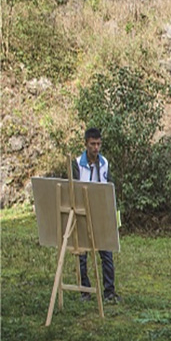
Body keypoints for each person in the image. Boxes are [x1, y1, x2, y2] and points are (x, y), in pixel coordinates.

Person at [72, 128, 120, 303]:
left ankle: (109, 291)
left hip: (100, 213)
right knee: (82, 254)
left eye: (99, 144)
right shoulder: (77, 163)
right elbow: (74, 190)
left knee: (106, 253)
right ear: (86, 144)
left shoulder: (104, 163)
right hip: (83, 213)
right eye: (93, 144)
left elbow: (109, 187)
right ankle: (85, 290)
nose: (96, 148)